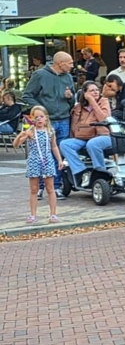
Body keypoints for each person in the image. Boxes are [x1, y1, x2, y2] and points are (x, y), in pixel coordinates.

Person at [23, 51, 75, 194]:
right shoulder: (40, 75)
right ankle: (40, 186)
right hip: (46, 121)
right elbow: (27, 95)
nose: (72, 66)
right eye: (70, 63)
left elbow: (73, 99)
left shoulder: (68, 77)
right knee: (43, 153)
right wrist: (41, 110)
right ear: (60, 63)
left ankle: (56, 186)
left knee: (59, 153)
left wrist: (70, 97)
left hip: (63, 118)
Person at [15, 106, 64, 224]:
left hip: (47, 160)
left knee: (50, 189)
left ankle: (53, 214)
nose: (39, 119)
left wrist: (59, 160)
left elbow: (54, 146)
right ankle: (33, 215)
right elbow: (16, 144)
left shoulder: (50, 131)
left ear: (46, 118)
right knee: (34, 189)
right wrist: (24, 134)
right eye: (36, 117)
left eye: (41, 116)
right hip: (34, 161)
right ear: (32, 119)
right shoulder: (31, 131)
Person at [59, 82, 113, 185]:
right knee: (64, 144)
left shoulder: (104, 101)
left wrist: (92, 102)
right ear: (85, 93)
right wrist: (73, 137)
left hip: (103, 136)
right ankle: (81, 172)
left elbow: (103, 119)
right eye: (92, 90)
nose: (96, 92)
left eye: (97, 90)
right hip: (83, 137)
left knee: (93, 143)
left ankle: (100, 173)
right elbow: (74, 125)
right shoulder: (79, 106)